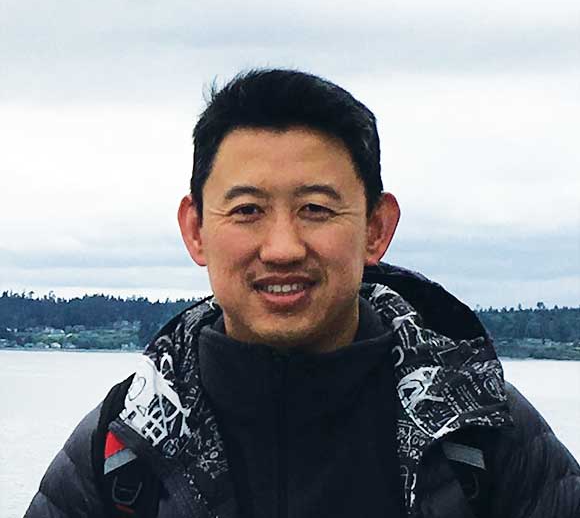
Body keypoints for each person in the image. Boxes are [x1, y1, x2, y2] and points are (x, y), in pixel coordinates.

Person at [26, 69, 580, 518]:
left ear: (376, 228)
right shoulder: (124, 449)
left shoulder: (482, 434)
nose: (283, 248)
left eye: (315, 208)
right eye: (247, 210)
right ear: (195, 229)